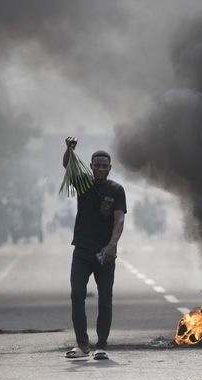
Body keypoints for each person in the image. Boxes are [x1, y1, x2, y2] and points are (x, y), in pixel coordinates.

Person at [62, 136, 126, 361]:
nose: (100, 168)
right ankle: (82, 344)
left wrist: (112, 245)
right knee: (77, 294)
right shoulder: (83, 184)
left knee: (105, 297)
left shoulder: (117, 190)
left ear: (110, 168)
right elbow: (67, 166)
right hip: (81, 250)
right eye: (96, 165)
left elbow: (119, 221)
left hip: (104, 253)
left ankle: (101, 344)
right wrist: (69, 149)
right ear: (90, 167)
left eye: (104, 166)